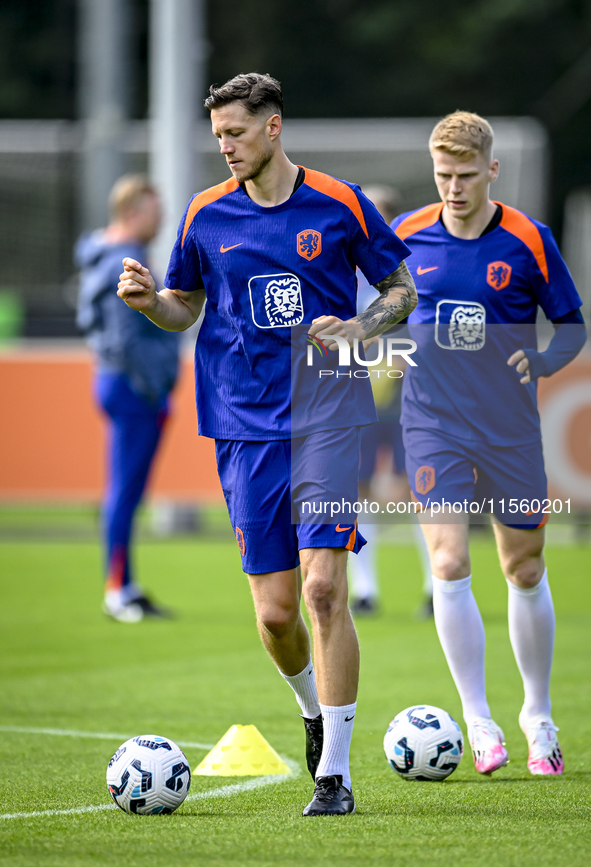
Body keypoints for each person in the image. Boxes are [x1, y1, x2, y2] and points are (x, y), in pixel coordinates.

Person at [117, 73, 416, 815]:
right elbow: (183, 305)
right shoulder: (204, 214)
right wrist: (150, 301)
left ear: (273, 127)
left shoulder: (339, 204)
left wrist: (358, 330)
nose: (225, 147)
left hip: (330, 416)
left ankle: (335, 775)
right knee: (277, 614)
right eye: (218, 135)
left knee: (322, 589)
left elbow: (401, 292)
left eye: (236, 133)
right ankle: (313, 709)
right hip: (243, 429)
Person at [393, 111, 587, 776]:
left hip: (507, 426)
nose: (452, 186)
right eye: (443, 174)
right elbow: (380, 308)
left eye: (465, 175)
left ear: (490, 172)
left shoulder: (527, 240)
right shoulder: (405, 237)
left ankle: (537, 714)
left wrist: (542, 362)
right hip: (431, 424)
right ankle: (476, 718)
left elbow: (569, 325)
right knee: (446, 563)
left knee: (523, 568)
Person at [76, 174, 179, 623]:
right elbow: (122, 336)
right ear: (134, 210)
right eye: (155, 211)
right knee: (123, 493)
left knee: (127, 492)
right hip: (134, 388)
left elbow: (91, 321)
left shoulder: (103, 254)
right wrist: (154, 383)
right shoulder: (124, 257)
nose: (160, 221)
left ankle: (126, 584)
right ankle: (117, 591)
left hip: (122, 383)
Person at [349, 185, 433, 618]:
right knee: (358, 493)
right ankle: (365, 590)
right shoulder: (344, 272)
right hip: (359, 400)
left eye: (375, 216)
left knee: (417, 491)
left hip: (405, 402)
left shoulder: (411, 273)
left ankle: (435, 587)